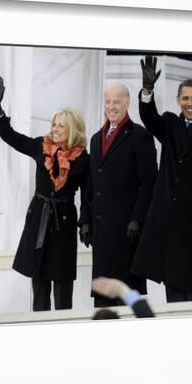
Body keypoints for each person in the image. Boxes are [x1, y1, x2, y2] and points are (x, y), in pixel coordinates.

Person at [0, 76, 89, 311]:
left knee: (63, 287)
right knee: (40, 283)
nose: (54, 129)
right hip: (39, 220)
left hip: (64, 222)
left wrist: (85, 222)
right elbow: (11, 137)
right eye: (54, 124)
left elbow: (88, 194)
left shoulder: (83, 159)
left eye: (60, 125)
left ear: (72, 129)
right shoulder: (40, 146)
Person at [131, 56, 192, 303]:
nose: (189, 103)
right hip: (169, 223)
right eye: (185, 98)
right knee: (175, 297)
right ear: (178, 100)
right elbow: (149, 117)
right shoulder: (169, 123)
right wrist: (147, 90)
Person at [79, 83, 157, 307]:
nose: (111, 107)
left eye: (116, 102)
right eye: (108, 102)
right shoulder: (95, 139)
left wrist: (137, 219)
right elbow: (90, 184)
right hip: (101, 234)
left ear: (127, 103)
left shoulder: (140, 136)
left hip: (127, 234)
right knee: (103, 298)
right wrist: (85, 220)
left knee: (125, 298)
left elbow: (149, 183)